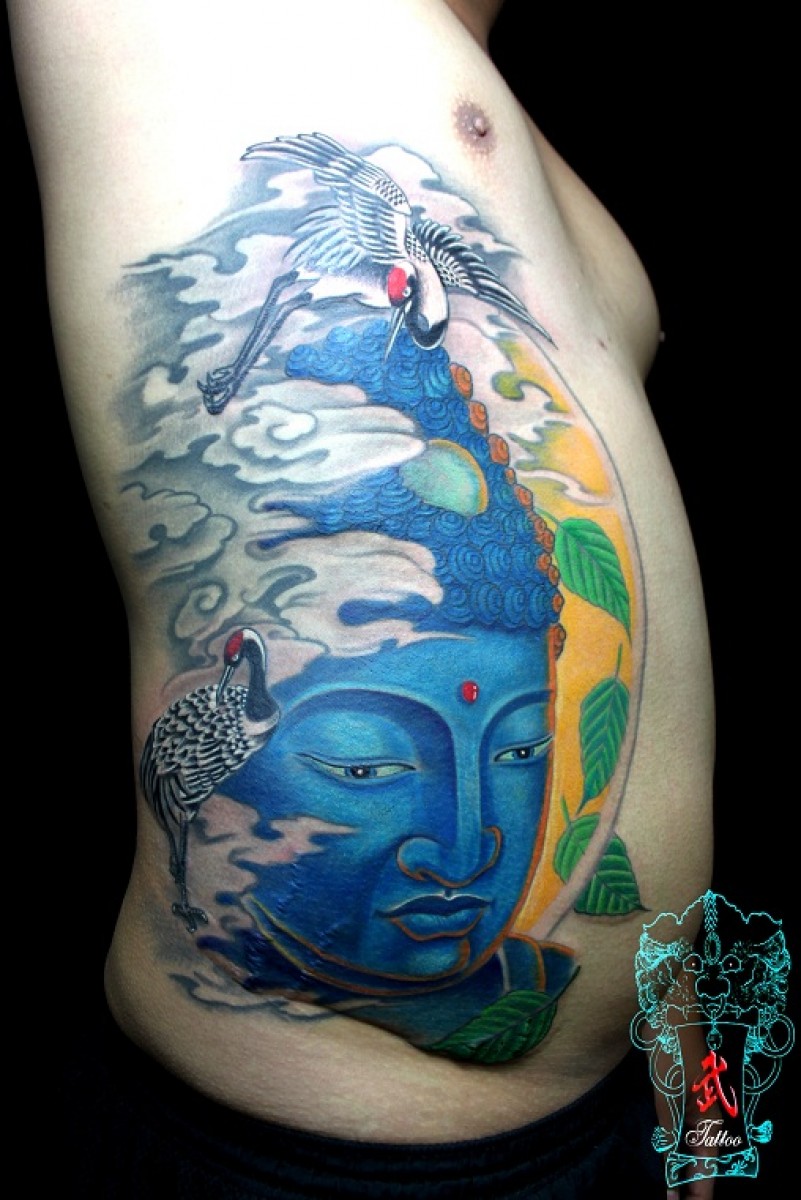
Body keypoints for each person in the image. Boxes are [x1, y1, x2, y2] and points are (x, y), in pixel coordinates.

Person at [7, 1, 718, 1196]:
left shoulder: (504, 142)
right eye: (365, 763)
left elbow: (664, 749)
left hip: (635, 1124)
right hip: (325, 1171)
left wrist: (710, 1120)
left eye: (521, 751)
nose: (468, 846)